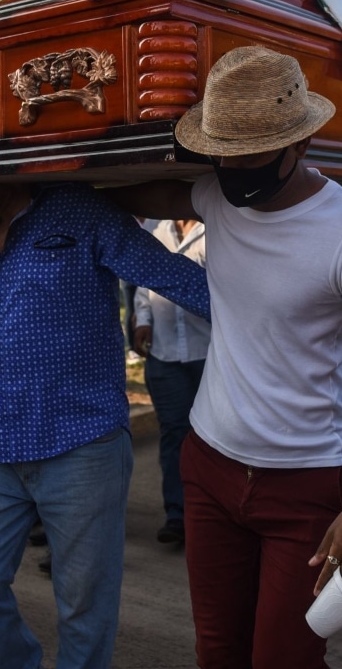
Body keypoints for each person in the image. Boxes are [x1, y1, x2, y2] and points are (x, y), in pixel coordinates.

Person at [108, 46, 342, 669]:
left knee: (286, 659)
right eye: (222, 152)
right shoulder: (216, 194)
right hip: (208, 469)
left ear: (300, 145)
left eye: (250, 156)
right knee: (218, 653)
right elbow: (138, 192)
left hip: (306, 486)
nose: (233, 169)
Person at [0, 114, 210, 669]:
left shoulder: (77, 210)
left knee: (83, 611)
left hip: (82, 447)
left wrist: (270, 322)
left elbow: (168, 273)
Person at [131, 217, 209, 546]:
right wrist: (143, 321)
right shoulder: (154, 230)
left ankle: (210, 514)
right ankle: (177, 514)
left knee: (211, 437)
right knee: (174, 432)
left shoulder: (217, 229)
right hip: (165, 353)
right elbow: (142, 285)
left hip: (210, 353)